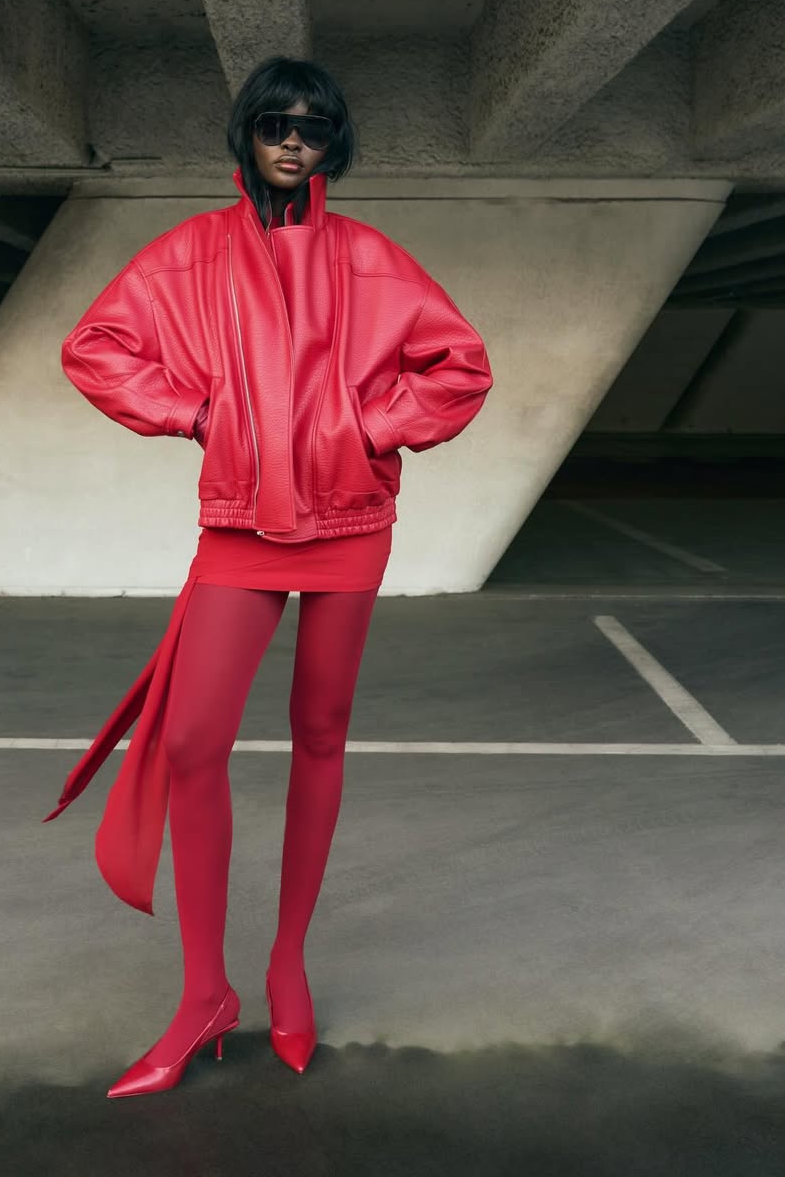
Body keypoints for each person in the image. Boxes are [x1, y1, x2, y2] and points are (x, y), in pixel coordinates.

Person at [42, 55, 493, 1098]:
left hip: (349, 525)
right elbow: (96, 347)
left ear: (335, 146)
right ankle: (206, 992)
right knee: (194, 743)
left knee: (320, 737)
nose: (296, 141)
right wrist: (198, 414)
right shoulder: (193, 253)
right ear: (248, 132)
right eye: (279, 124)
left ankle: (287, 964)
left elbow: (460, 366)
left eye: (317, 129)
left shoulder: (373, 259)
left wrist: (365, 427)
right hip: (241, 524)